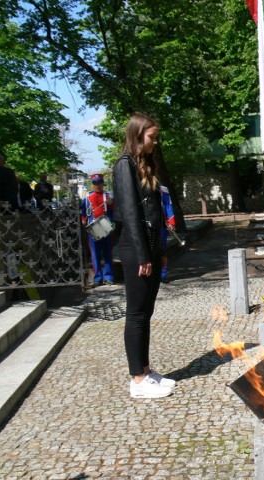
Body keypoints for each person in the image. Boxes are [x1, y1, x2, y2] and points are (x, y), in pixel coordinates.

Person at [113, 112, 174, 399]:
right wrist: (143, 257)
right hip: (135, 247)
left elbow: (155, 213)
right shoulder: (123, 166)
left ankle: (146, 369)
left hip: (149, 246)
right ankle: (137, 379)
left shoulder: (145, 165)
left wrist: (159, 251)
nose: (155, 142)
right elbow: (130, 214)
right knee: (136, 313)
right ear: (138, 135)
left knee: (146, 312)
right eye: (151, 137)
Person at [81, 173, 115, 286]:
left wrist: (111, 204)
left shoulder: (108, 196)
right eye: (95, 183)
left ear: (103, 183)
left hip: (106, 227)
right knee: (95, 254)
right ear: (92, 184)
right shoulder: (87, 198)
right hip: (93, 228)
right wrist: (83, 219)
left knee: (107, 253)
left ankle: (108, 276)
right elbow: (83, 211)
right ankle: (97, 278)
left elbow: (114, 211)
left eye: (100, 183)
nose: (98, 185)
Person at [159, 185, 175, 283]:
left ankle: (163, 275)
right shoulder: (143, 188)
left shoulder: (163, 190)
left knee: (163, 250)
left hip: (162, 224)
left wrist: (171, 222)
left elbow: (169, 206)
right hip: (149, 224)